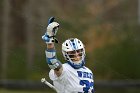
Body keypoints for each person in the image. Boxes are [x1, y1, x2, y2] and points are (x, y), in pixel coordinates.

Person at [42, 17, 94, 93]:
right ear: (66, 55)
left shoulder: (88, 71)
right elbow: (52, 62)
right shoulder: (65, 69)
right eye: (72, 53)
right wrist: (50, 42)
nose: (76, 55)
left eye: (79, 51)